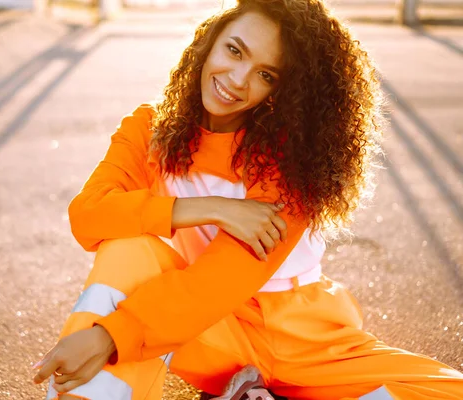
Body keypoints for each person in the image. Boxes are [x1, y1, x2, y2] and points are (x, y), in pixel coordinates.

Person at [32, 0, 463, 398]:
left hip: (304, 338)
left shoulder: (291, 163)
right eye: (235, 51)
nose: (238, 81)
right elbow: (89, 216)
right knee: (130, 252)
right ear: (208, 41)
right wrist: (212, 209)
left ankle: (256, 392)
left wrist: (109, 335)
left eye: (266, 74)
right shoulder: (149, 129)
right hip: (204, 329)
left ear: (283, 91)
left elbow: (225, 277)